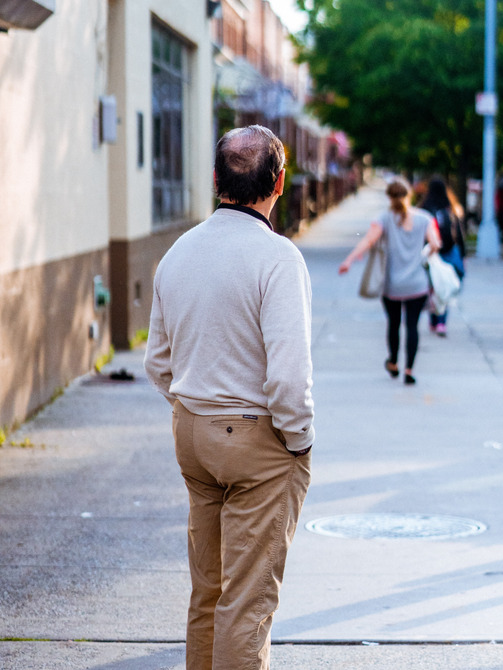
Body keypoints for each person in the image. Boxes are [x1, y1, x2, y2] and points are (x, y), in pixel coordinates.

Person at [144, 125, 314, 670]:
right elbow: (288, 381)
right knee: (247, 602)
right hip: (255, 442)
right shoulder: (277, 258)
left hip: (192, 434)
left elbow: (156, 362)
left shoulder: (177, 253)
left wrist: (193, 407)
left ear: (216, 180)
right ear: (280, 183)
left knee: (209, 592)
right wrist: (299, 440)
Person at [339, 177, 440, 385]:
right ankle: (409, 369)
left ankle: (393, 363)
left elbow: (368, 240)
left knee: (393, 325)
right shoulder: (425, 218)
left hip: (392, 285)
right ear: (409, 195)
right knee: (412, 327)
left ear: (389, 197)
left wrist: (349, 260)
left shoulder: (383, 219)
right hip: (417, 285)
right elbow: (436, 244)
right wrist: (424, 256)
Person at [419, 177, 467, 336]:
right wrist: (463, 256)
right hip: (448, 251)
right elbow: (459, 234)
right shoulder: (451, 209)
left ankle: (433, 320)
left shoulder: (424, 208)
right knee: (444, 286)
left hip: (431, 253)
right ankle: (441, 322)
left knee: (433, 286)